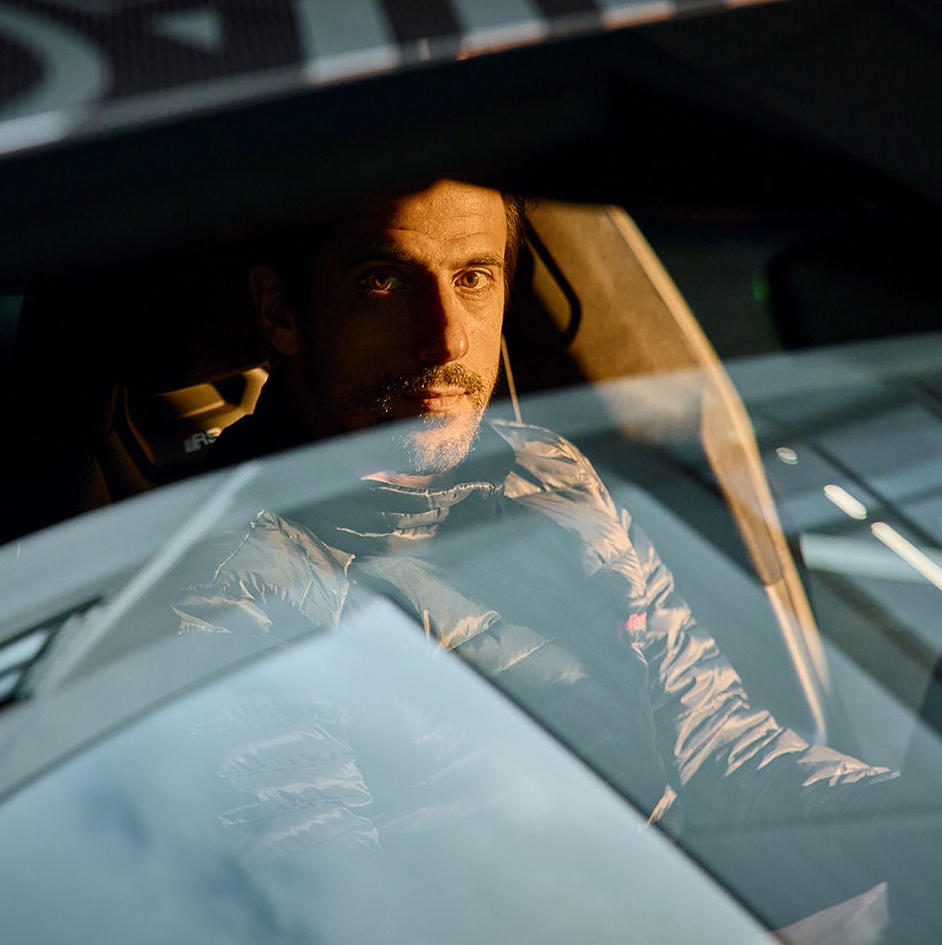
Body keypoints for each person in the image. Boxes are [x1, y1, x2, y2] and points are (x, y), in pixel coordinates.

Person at [170, 179, 902, 932]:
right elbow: (341, 910)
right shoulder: (229, 587)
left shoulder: (550, 471)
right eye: (383, 281)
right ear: (282, 312)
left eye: (473, 278)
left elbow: (715, 741)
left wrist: (912, 817)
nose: (447, 338)